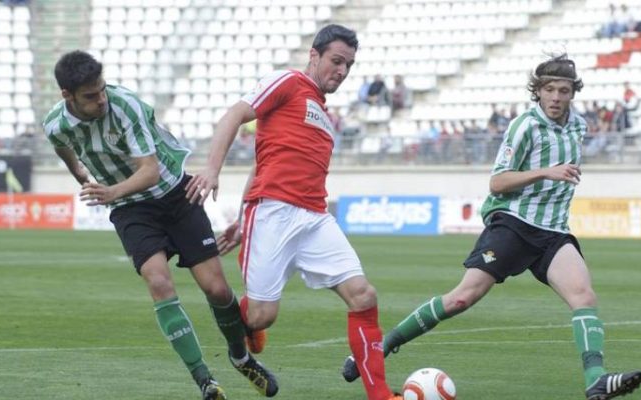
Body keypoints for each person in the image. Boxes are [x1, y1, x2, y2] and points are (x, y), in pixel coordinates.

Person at [340, 54, 641, 400]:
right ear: (539, 91)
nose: (557, 97)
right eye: (550, 89)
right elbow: (497, 183)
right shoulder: (524, 126)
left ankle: (597, 380)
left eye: (564, 90)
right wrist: (546, 171)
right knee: (461, 299)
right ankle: (381, 347)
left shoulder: (579, 125)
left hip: (553, 232)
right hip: (513, 224)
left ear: (573, 93)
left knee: (584, 296)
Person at [42, 50, 278, 400]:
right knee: (158, 281)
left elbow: (149, 171)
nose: (101, 99)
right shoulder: (55, 124)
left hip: (174, 194)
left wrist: (110, 191)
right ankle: (205, 381)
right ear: (67, 96)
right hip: (130, 209)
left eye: (102, 89)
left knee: (215, 288)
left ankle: (240, 357)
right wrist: (79, 172)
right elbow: (62, 145)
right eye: (91, 96)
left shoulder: (126, 107)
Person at [185, 25, 401, 400]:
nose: (342, 71)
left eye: (349, 65)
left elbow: (263, 160)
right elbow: (234, 114)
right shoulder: (287, 82)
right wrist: (213, 169)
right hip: (273, 214)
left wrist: (238, 221)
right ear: (314, 55)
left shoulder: (324, 112)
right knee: (260, 318)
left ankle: (382, 395)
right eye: (336, 61)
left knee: (364, 296)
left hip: (315, 219)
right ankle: (244, 335)